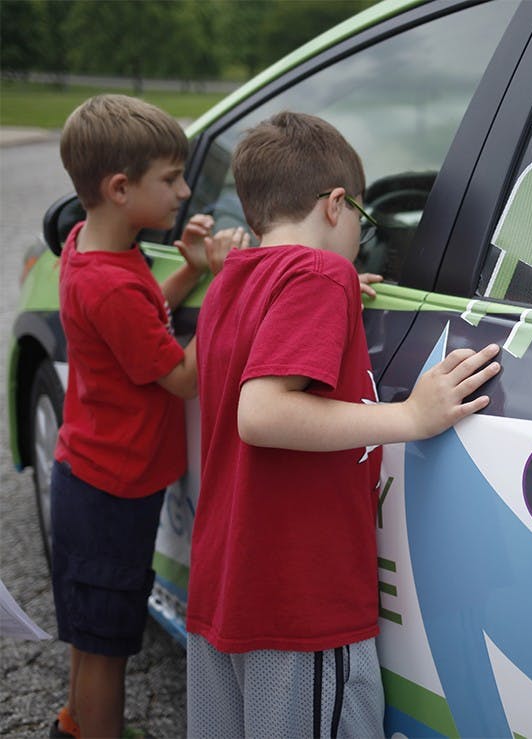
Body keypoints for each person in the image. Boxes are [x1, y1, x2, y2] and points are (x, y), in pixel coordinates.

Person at [186, 111, 501, 738]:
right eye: (365, 218)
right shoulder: (319, 274)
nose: (362, 231)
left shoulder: (232, 282)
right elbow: (264, 413)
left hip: (226, 589)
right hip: (300, 604)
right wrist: (411, 416)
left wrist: (331, 291)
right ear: (337, 204)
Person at [48, 94, 241, 739]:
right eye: (172, 178)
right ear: (120, 188)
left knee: (89, 628)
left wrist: (186, 277)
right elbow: (182, 378)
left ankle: (76, 723)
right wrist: (226, 292)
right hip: (112, 492)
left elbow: (139, 324)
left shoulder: (92, 246)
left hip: (90, 476)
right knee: (108, 645)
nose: (186, 191)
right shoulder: (112, 283)